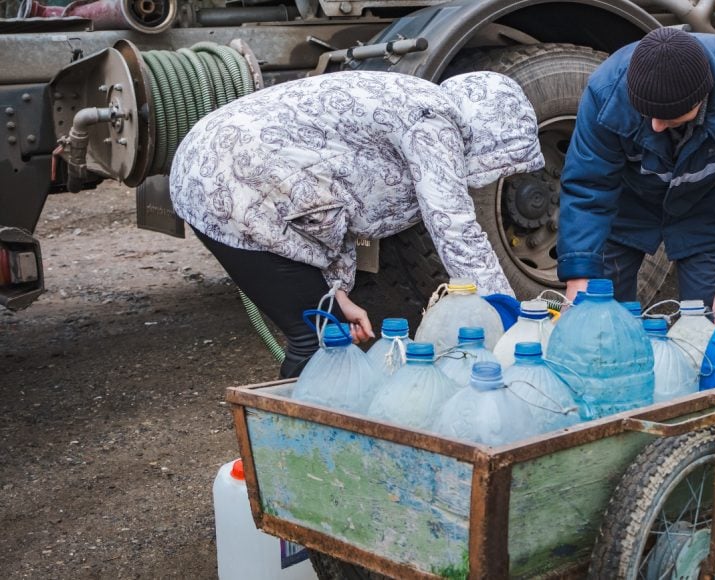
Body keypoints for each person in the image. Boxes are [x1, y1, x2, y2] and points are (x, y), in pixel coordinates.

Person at [169, 71, 544, 377]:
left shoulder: (416, 102)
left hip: (218, 171)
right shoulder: (433, 122)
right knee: (316, 342)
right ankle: (294, 449)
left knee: (326, 329)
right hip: (231, 179)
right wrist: (505, 313)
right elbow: (455, 228)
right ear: (491, 130)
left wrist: (337, 292)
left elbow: (335, 197)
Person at [556, 27, 715, 319]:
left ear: (701, 98)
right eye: (647, 113)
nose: (655, 126)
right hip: (627, 203)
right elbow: (587, 186)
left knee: (707, 321)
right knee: (598, 318)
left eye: (668, 118)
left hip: (705, 204)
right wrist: (579, 274)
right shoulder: (606, 91)